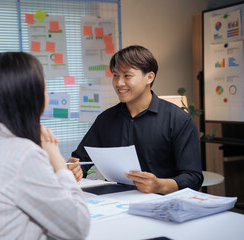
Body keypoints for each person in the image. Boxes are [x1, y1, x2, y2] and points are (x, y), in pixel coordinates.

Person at [0, 52, 90, 239]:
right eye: (44, 88)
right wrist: (58, 161)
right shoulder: (23, 154)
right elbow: (78, 227)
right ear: (31, 96)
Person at [72, 45, 203, 194]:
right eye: (115, 75)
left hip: (161, 203)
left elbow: (193, 177)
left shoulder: (178, 120)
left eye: (127, 76)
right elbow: (80, 160)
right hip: (114, 203)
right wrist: (75, 168)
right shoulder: (106, 119)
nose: (119, 83)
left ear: (149, 77)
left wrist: (158, 185)